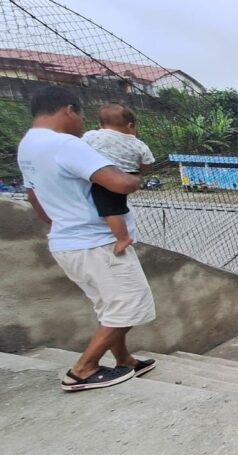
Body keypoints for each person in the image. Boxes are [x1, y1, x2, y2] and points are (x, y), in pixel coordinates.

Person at [17, 86, 156, 392]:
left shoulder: (27, 145)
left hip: (67, 243)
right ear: (69, 110)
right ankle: (83, 369)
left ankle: (125, 360)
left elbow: (34, 197)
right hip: (97, 243)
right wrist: (135, 179)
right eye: (81, 116)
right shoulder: (65, 144)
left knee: (109, 306)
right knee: (130, 304)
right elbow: (119, 183)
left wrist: (64, 221)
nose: (82, 124)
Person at [82, 104, 155, 256]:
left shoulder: (92, 135)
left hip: (104, 176)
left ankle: (122, 238)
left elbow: (79, 149)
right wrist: (138, 172)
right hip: (129, 174)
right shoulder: (138, 144)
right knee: (117, 207)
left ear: (100, 125)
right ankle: (124, 236)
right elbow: (148, 163)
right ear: (131, 125)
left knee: (110, 210)